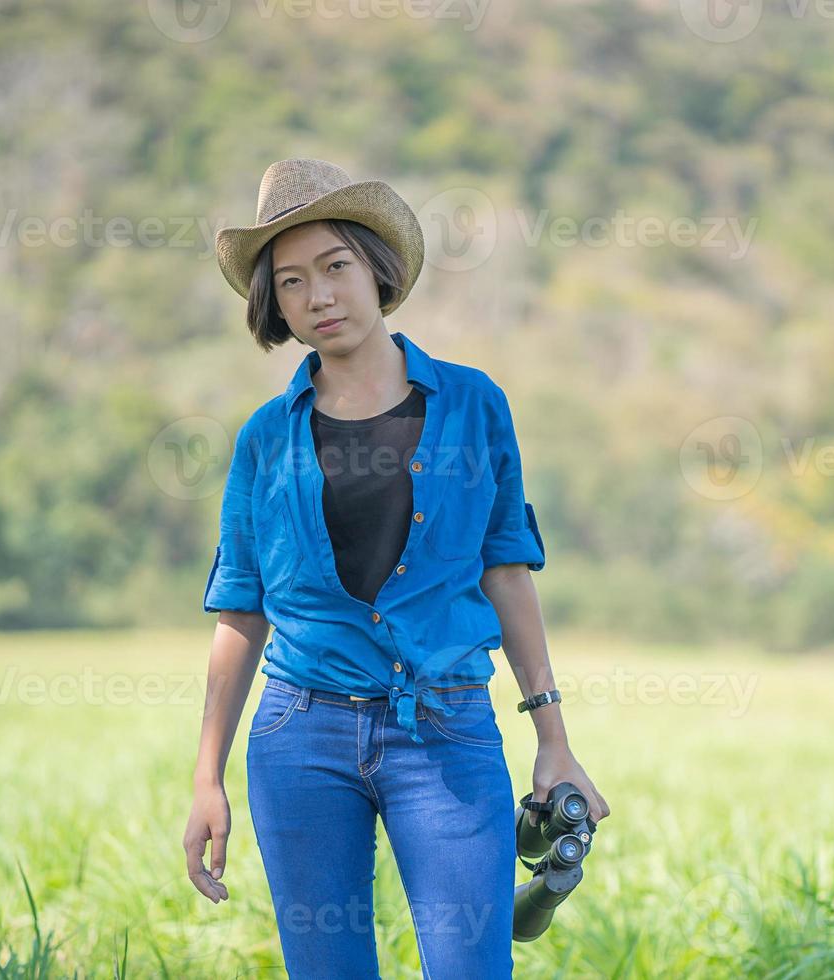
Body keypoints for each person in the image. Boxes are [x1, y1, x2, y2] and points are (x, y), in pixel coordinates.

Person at [183, 158, 609, 978]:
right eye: (294, 281)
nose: (321, 296)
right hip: (298, 736)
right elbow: (240, 610)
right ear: (279, 306)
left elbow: (506, 570)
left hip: (446, 732)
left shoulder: (475, 403)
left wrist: (553, 739)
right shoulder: (264, 440)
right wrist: (207, 778)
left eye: (337, 267)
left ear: (377, 271)